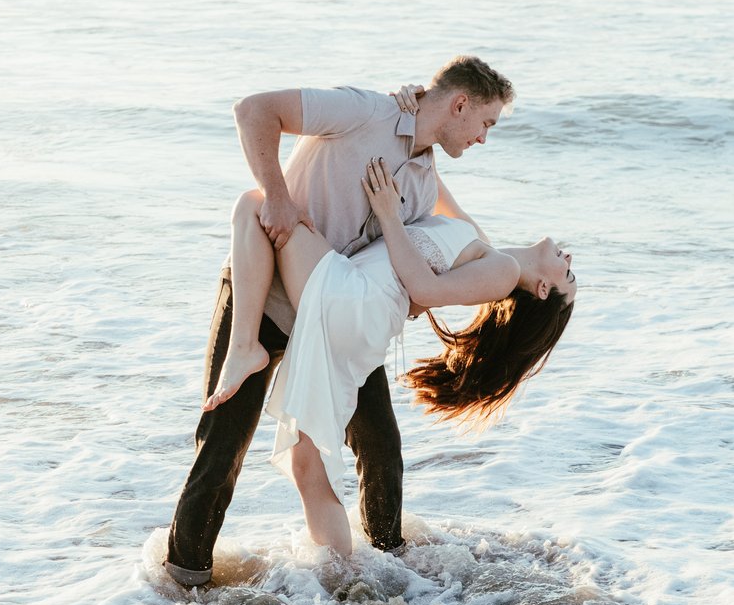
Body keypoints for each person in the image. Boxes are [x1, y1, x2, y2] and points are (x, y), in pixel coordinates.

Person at [165, 56, 515, 588]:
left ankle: (390, 567)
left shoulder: (421, 186)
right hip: (266, 296)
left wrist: (427, 292)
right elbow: (254, 110)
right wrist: (279, 197)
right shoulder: (361, 111)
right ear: (460, 104)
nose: (484, 138)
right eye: (486, 123)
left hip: (330, 317)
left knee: (380, 443)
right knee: (223, 444)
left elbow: (427, 248)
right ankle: (183, 580)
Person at [200, 158, 576, 557]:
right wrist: (414, 127)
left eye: (567, 276)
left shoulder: (503, 271)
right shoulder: (484, 245)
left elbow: (426, 288)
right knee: (307, 466)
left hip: (352, 300)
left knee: (257, 204)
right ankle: (344, 584)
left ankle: (244, 345)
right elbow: (432, 178)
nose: (569, 261)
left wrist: (388, 214)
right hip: (356, 311)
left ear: (541, 289)